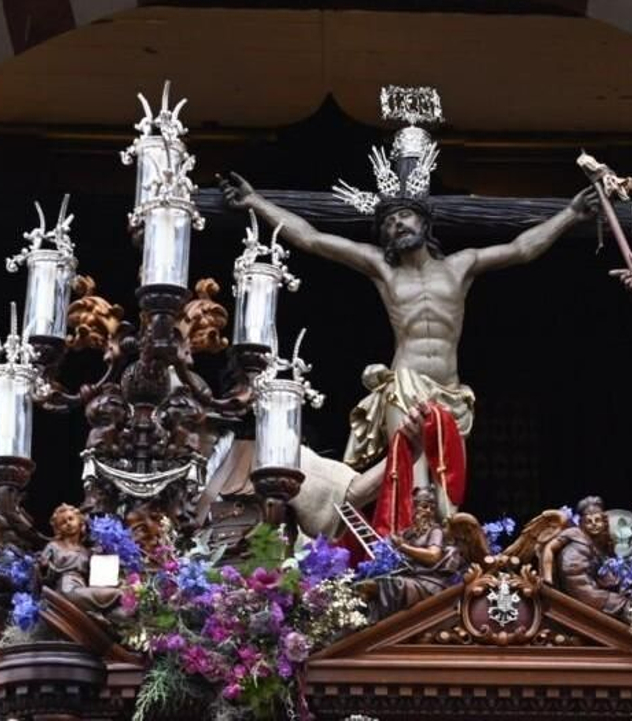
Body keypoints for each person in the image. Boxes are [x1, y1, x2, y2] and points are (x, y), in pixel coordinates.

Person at [225, 173, 593, 533]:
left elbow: (521, 249)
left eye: (404, 216)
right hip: (404, 383)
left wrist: (571, 214)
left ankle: (444, 547)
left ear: (424, 222)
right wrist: (256, 201)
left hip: (451, 390)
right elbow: (313, 238)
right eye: (387, 222)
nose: (396, 225)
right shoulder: (384, 270)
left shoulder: (460, 266)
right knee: (411, 475)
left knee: (447, 486)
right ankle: (409, 550)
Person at [363, 486, 470, 621]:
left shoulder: (435, 531)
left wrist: (403, 547)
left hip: (426, 583)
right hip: (408, 577)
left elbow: (433, 556)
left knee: (373, 587)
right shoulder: (408, 533)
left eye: (432, 508)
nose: (429, 512)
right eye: (424, 507)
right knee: (366, 586)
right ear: (414, 508)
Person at [552, 496, 630, 619]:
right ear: (582, 523)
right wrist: (548, 582)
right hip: (585, 595)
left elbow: (605, 577)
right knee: (629, 607)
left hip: (594, 592)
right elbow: (580, 587)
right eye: (589, 521)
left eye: (597, 520)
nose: (594, 525)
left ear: (604, 522)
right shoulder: (577, 540)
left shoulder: (599, 545)